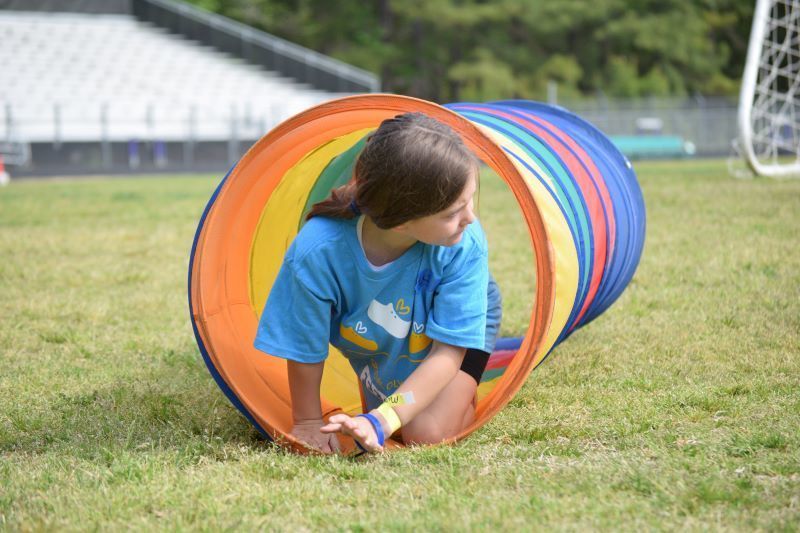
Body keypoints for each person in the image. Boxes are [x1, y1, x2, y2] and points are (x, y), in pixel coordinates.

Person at [254, 112, 501, 453]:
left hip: (454, 334)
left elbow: (447, 352)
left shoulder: (464, 244)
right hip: (385, 336)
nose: (470, 218)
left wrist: (380, 421)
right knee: (399, 412)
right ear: (401, 223)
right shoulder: (319, 252)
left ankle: (461, 393)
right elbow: (303, 342)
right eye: (452, 213)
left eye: (469, 201)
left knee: (425, 432)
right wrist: (309, 422)